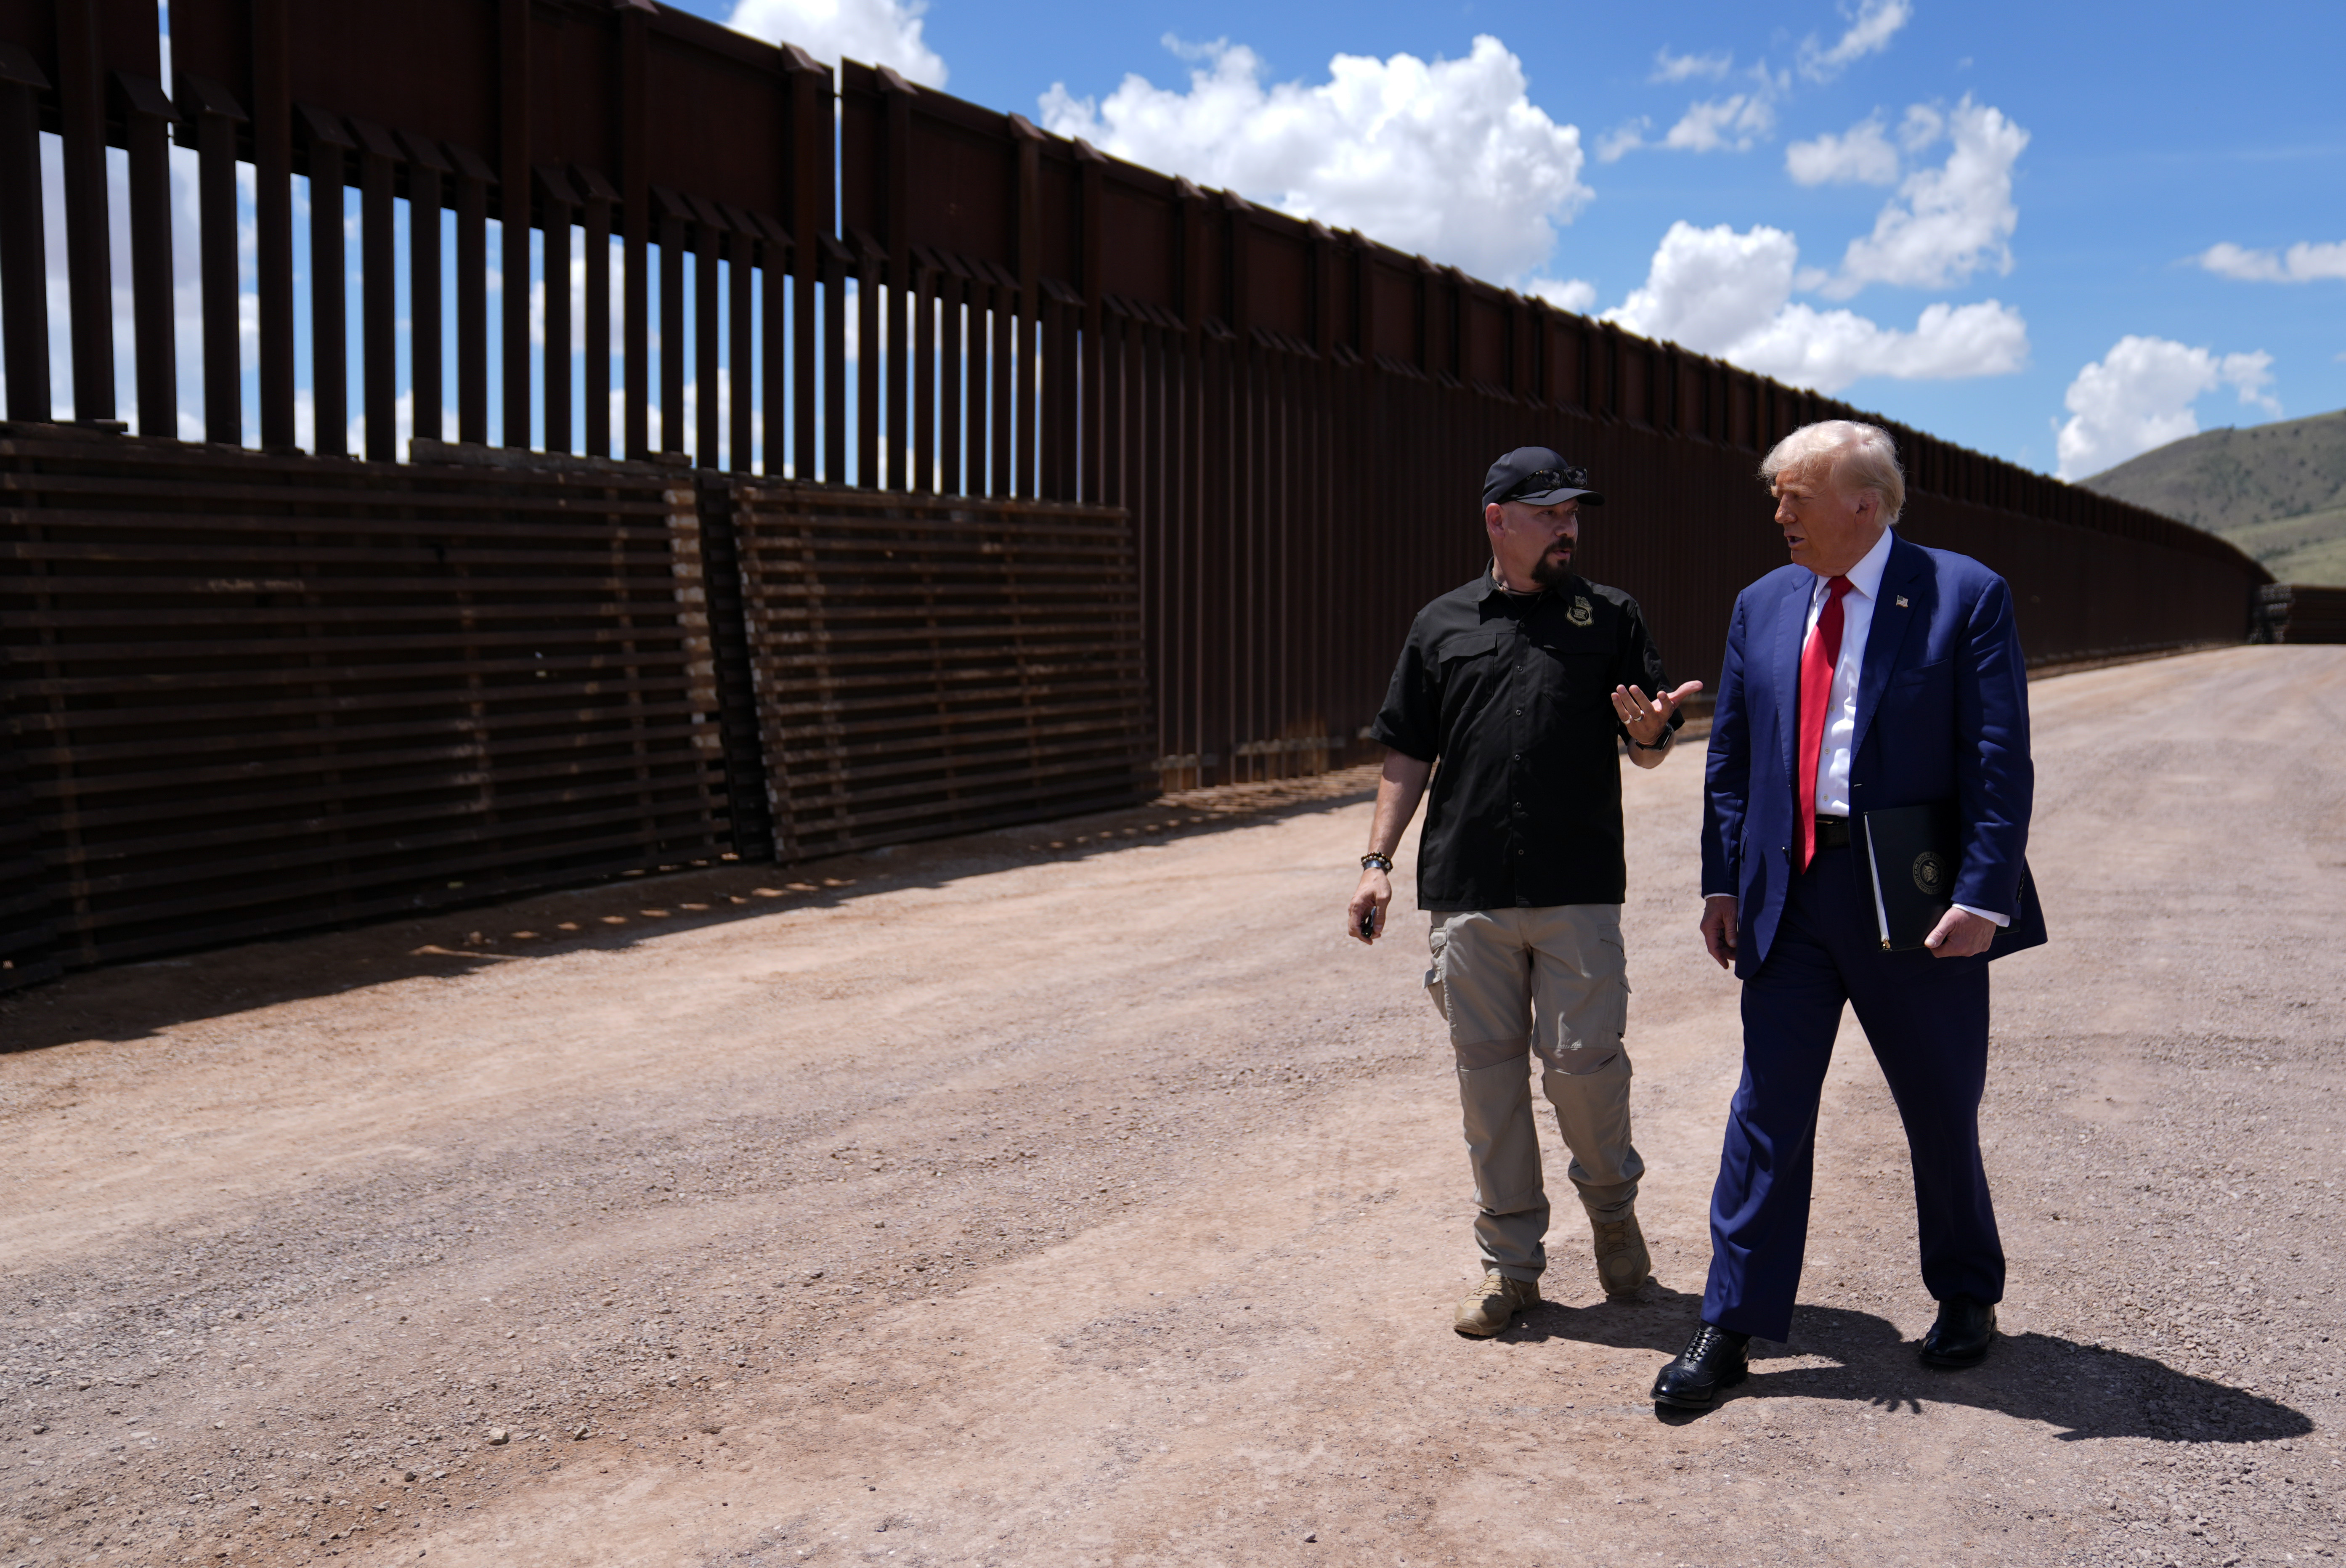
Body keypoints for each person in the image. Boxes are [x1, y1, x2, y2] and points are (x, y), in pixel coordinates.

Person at [1651, 420, 2046, 1412]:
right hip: (1791, 890)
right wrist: (1720, 883)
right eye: (1775, 496)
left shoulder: (1964, 594)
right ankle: (1731, 1322)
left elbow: (1997, 760)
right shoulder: (1763, 602)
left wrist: (1982, 892)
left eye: (1793, 495)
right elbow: (1731, 757)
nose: (1776, 512)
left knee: (1938, 1105)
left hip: (1912, 895)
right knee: (1766, 1110)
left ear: (1861, 504)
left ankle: (1965, 1294)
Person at [1349, 446, 1702, 1337]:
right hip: (1467, 892)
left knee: (1585, 1069)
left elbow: (1647, 746)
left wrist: (1654, 735)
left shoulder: (1609, 616)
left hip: (1577, 885)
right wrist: (1376, 863)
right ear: (1497, 518)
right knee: (1489, 1087)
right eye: (1549, 513)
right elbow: (1407, 751)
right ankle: (1510, 1268)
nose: (1568, 527)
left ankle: (1613, 1212)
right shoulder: (1440, 625)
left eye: (1574, 513)